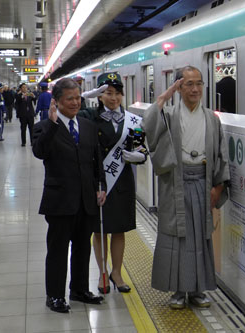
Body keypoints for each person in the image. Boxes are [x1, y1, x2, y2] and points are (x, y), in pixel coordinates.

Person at [141, 65, 230, 309]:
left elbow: (221, 156)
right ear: (179, 87)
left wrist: (218, 188)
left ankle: (198, 291)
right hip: (176, 184)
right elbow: (146, 127)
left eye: (198, 83)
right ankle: (179, 291)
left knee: (201, 238)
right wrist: (163, 97)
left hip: (203, 181)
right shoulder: (169, 115)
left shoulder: (212, 119)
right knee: (177, 237)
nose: (194, 89)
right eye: (188, 84)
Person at [32, 78, 106, 313]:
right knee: (58, 249)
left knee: (83, 247)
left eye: (78, 98)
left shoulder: (87, 126)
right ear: (57, 101)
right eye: (70, 99)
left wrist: (101, 185)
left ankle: (80, 289)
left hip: (86, 199)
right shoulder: (44, 127)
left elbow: (96, 160)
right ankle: (54, 295)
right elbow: (40, 152)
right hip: (60, 200)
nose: (76, 103)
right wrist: (53, 124)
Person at [79, 73, 148, 294]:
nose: (114, 98)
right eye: (108, 93)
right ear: (99, 95)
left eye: (117, 93)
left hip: (122, 181)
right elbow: (69, 114)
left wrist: (141, 156)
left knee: (119, 230)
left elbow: (140, 147)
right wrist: (83, 97)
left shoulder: (133, 120)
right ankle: (102, 272)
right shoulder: (90, 116)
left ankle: (116, 273)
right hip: (99, 181)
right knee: (99, 230)